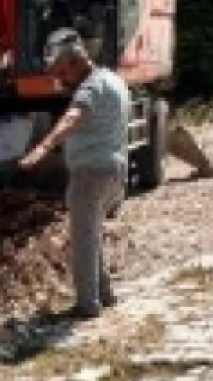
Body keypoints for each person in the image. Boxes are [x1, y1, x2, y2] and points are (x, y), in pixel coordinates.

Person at [18, 27, 130, 318]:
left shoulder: (90, 87)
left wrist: (44, 147)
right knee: (92, 234)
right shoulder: (115, 81)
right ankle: (104, 294)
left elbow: (73, 116)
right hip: (116, 170)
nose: (59, 78)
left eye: (60, 71)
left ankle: (86, 305)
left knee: (82, 241)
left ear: (75, 62)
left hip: (90, 173)